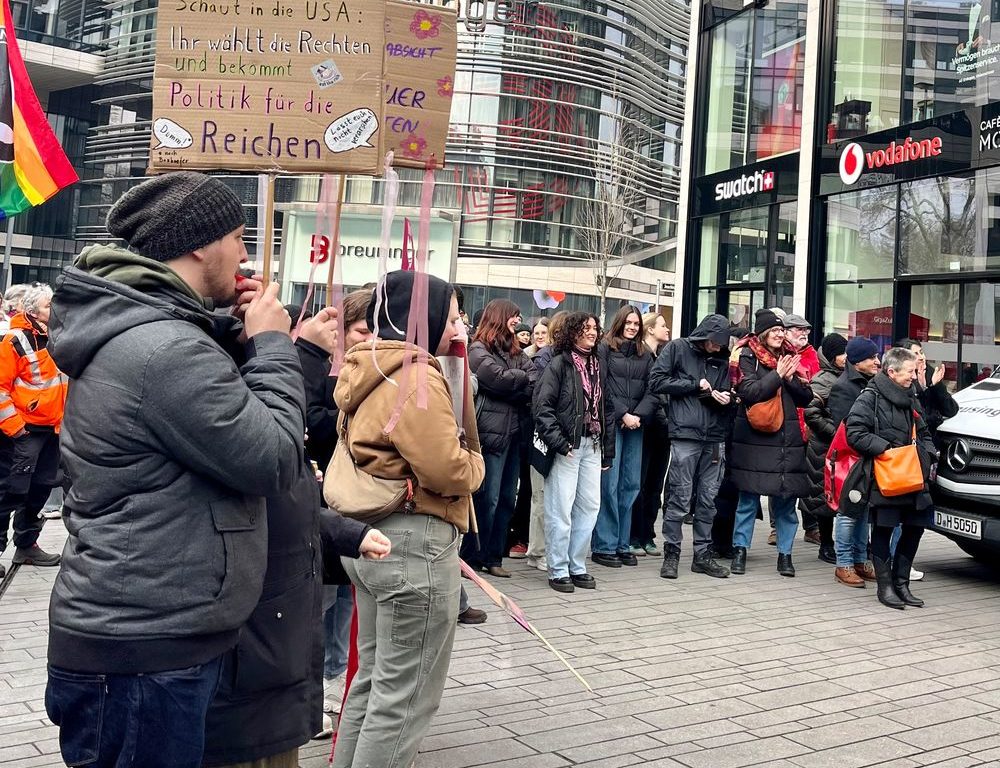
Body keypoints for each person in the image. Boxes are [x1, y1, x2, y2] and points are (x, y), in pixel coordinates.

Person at [44, 171, 307, 768]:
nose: (244, 253)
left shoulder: (164, 336)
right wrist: (271, 347)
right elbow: (273, 458)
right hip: (142, 651)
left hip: (147, 638)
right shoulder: (166, 349)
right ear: (198, 244)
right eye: (238, 237)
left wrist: (240, 339)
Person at [203, 306, 392, 768]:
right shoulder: (207, 383)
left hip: (276, 645)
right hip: (247, 648)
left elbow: (288, 493)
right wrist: (298, 352)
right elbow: (272, 455)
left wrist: (347, 533)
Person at [332, 271, 485, 768]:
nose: (458, 323)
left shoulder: (370, 363)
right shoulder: (414, 374)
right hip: (411, 542)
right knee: (405, 698)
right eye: (453, 312)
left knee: (376, 680)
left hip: (373, 538)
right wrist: (476, 465)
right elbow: (446, 468)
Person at [844, 347, 938, 609]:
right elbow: (855, 433)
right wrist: (887, 450)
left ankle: (902, 583)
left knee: (915, 528)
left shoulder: (910, 396)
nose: (913, 376)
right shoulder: (870, 396)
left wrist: (927, 455)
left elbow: (925, 431)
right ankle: (885, 587)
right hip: (886, 475)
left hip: (914, 475)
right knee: (883, 531)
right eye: (910, 371)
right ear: (892, 371)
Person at [533, 311, 614, 593]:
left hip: (592, 444)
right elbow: (542, 408)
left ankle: (576, 564)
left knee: (590, 507)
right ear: (572, 331)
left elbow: (608, 408)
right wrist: (560, 443)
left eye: (594, 328)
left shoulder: (599, 364)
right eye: (586, 328)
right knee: (560, 509)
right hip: (567, 447)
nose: (592, 332)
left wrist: (608, 450)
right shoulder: (559, 364)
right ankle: (558, 569)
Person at [729, 309, 813, 577]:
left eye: (781, 330)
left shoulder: (791, 357)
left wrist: (789, 378)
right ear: (763, 333)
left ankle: (785, 555)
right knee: (747, 501)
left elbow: (806, 398)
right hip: (754, 439)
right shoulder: (747, 356)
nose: (779, 334)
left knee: (786, 503)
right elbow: (749, 392)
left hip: (786, 442)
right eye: (775, 331)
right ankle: (739, 551)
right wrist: (776, 375)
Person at [649, 314, 733, 579]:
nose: (718, 348)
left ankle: (702, 555)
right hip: (685, 433)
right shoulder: (677, 348)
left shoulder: (721, 359)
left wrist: (725, 397)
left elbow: (723, 389)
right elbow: (656, 381)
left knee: (709, 499)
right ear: (705, 337)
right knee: (680, 496)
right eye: (714, 343)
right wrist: (694, 385)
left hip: (715, 435)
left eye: (720, 344)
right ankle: (671, 553)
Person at [462, 299, 536, 577]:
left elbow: (533, 380)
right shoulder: (478, 349)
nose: (518, 321)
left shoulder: (516, 351)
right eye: (514, 316)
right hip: (490, 436)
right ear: (500, 317)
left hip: (515, 435)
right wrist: (513, 382)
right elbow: (495, 378)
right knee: (487, 499)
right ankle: (471, 557)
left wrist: (508, 383)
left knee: (506, 499)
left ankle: (494, 557)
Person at [0, 283, 66, 572]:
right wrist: (16, 429)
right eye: (49, 305)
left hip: (52, 430)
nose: (54, 309)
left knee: (40, 489)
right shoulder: (15, 339)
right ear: (33, 311)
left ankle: (26, 545)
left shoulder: (59, 336)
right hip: (22, 431)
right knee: (8, 492)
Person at [592, 305, 657, 568]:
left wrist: (638, 415)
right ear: (620, 322)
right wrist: (623, 415)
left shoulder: (645, 354)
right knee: (609, 484)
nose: (632, 327)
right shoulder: (605, 348)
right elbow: (601, 385)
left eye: (636, 323)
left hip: (636, 425)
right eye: (628, 322)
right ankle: (604, 545)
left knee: (630, 484)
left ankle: (622, 543)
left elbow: (655, 388)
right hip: (613, 423)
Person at [890, 338, 959, 581]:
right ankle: (894, 561)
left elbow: (951, 409)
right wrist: (922, 389)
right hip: (904, 456)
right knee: (899, 513)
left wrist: (936, 386)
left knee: (916, 514)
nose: (921, 358)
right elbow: (918, 418)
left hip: (926, 455)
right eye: (915, 354)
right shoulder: (902, 382)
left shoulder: (929, 376)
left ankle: (902, 561)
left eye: (922, 352)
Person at [829, 336, 882, 586]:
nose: (877, 361)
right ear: (858, 360)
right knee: (848, 513)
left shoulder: (872, 383)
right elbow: (848, 428)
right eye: (872, 357)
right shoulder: (844, 386)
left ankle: (861, 560)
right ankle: (844, 564)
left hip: (868, 457)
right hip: (852, 460)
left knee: (863, 511)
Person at [524, 311, 568, 572]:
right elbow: (541, 403)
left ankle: (547, 549)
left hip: (558, 436)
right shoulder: (545, 358)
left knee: (554, 497)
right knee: (541, 496)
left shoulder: (566, 358)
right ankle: (537, 551)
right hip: (543, 436)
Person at [800, 333, 848, 566]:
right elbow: (811, 412)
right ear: (831, 356)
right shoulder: (822, 379)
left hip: (837, 447)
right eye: (842, 353)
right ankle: (826, 545)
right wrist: (834, 432)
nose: (846, 356)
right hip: (823, 447)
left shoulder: (846, 376)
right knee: (823, 496)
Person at [776, 313, 822, 547]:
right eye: (797, 329)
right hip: (784, 423)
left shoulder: (813, 356)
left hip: (809, 425)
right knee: (781, 478)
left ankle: (811, 526)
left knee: (808, 478)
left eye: (806, 330)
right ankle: (776, 527)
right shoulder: (778, 354)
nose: (803, 333)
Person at [630, 312, 670, 557]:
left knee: (655, 484)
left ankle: (648, 534)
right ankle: (635, 534)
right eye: (663, 325)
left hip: (663, 429)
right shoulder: (640, 355)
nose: (667, 329)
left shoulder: (660, 356)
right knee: (640, 483)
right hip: (645, 426)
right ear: (650, 329)